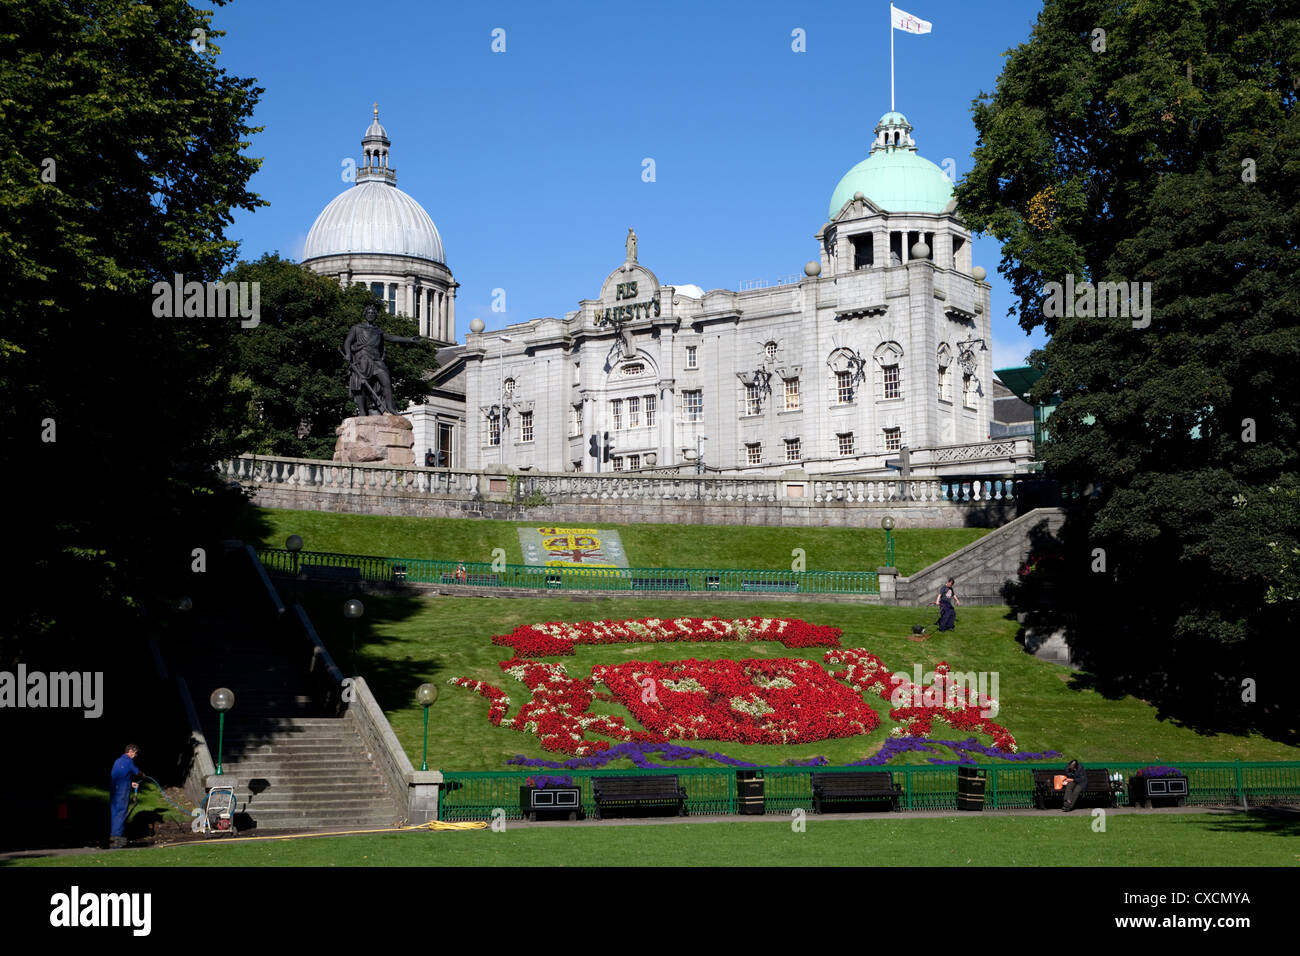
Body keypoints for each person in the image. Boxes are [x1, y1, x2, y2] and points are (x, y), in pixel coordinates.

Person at [109, 744, 142, 848]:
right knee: (121, 813)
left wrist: (130, 783)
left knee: (115, 814)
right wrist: (143, 775)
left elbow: (119, 776)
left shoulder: (117, 761)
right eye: (135, 753)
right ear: (130, 751)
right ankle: (117, 843)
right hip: (122, 792)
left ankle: (113, 841)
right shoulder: (128, 761)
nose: (135, 755)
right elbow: (137, 772)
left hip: (115, 790)